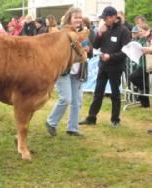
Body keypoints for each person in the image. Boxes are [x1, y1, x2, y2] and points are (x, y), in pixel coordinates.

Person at [79, 6, 131, 128]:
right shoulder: (104, 29)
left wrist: (110, 56)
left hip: (116, 67)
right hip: (103, 66)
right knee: (98, 92)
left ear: (113, 17)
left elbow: (126, 52)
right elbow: (95, 46)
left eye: (106, 18)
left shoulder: (124, 31)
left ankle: (115, 119)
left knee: (115, 94)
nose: (104, 20)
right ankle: (91, 117)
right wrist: (100, 33)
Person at [45, 7, 91, 137]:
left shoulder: (83, 32)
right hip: (64, 71)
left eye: (80, 17)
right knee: (66, 98)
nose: (78, 19)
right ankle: (51, 122)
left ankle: (73, 128)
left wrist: (88, 48)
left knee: (77, 101)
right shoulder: (62, 33)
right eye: (76, 17)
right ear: (69, 18)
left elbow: (89, 49)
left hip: (78, 72)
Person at [129, 24, 151, 108]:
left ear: (146, 31)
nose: (139, 32)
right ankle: (145, 103)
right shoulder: (140, 39)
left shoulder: (147, 39)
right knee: (142, 82)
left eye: (141, 31)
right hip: (141, 64)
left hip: (146, 64)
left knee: (133, 77)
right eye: (139, 31)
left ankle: (144, 91)